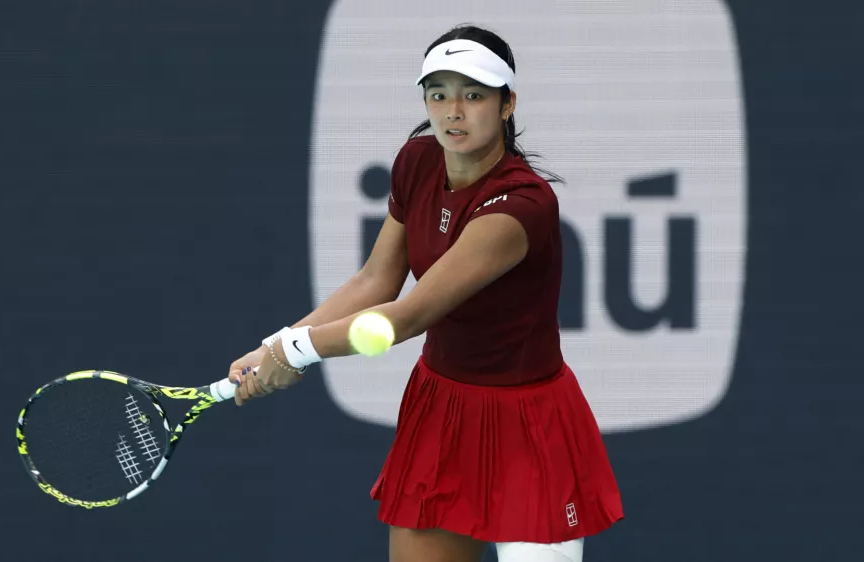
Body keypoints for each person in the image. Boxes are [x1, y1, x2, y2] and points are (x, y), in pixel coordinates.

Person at [227, 23, 624, 562]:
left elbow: (402, 319)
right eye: (438, 94)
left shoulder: (521, 206)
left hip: (530, 428)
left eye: (474, 94)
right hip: (444, 414)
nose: (453, 110)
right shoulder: (416, 161)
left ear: (508, 104)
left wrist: (294, 353)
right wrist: (275, 343)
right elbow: (375, 281)